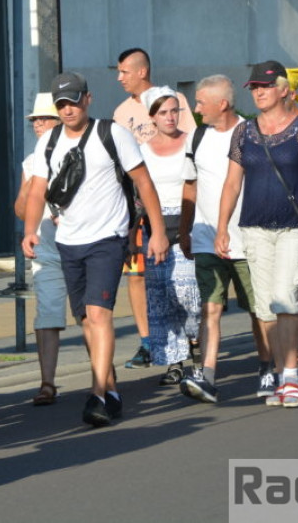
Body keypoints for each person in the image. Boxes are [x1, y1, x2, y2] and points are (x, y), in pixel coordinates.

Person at [23, 72, 168, 427]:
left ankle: (97, 394)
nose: (67, 109)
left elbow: (143, 182)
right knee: (86, 320)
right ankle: (112, 387)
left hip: (108, 237)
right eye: (61, 104)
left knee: (100, 314)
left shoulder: (112, 133)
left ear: (87, 99)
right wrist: (29, 230)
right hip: (68, 240)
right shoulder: (50, 142)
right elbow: (37, 189)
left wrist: (158, 231)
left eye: (73, 101)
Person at [215, 60, 298, 409]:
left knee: (286, 298)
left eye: (265, 86)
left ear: (285, 90)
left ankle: (290, 377)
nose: (258, 92)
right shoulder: (244, 132)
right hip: (253, 230)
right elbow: (231, 183)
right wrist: (221, 227)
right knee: (265, 307)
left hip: (293, 230)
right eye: (254, 87)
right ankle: (276, 370)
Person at [178, 75, 273, 404]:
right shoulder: (198, 135)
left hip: (247, 239)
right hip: (206, 237)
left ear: (223, 104)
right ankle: (207, 376)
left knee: (258, 310)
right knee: (211, 309)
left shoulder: (253, 132)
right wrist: (185, 230)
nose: (196, 108)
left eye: (201, 102)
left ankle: (267, 368)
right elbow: (190, 185)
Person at [113, 48, 196, 370]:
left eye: (124, 72)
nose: (119, 78)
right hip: (140, 210)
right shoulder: (122, 112)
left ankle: (190, 339)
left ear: (141, 71)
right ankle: (150, 341)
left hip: (181, 210)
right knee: (138, 276)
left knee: (184, 284)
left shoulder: (173, 101)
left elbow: (189, 143)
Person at [137, 86, 201, 386]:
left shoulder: (193, 142)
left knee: (191, 297)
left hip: (189, 226)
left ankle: (199, 351)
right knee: (163, 298)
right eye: (163, 112)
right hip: (155, 230)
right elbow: (136, 195)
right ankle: (175, 362)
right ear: (152, 117)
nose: (170, 117)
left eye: (175, 111)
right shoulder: (142, 151)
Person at [13, 93, 67, 405]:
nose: (38, 124)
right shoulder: (31, 161)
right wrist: (29, 186)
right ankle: (47, 383)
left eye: (44, 118)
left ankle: (102, 380)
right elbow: (21, 211)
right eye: (35, 119)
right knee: (46, 315)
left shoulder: (81, 150)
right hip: (46, 248)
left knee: (90, 315)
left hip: (81, 245)